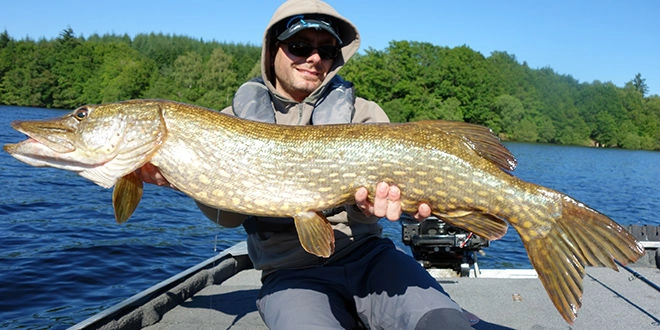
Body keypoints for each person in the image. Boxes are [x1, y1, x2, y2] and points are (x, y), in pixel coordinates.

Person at [139, 0, 478, 328]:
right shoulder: (229, 124)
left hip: (370, 258)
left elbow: (397, 203)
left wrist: (385, 208)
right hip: (290, 275)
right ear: (274, 49)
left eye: (327, 50)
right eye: (299, 45)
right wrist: (182, 178)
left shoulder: (365, 115)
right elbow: (227, 218)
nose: (314, 58)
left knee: (445, 323)